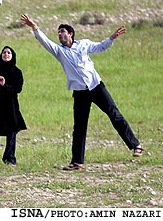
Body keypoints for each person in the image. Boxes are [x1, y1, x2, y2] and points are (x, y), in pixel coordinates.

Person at [20, 14, 142, 171]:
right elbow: (45, 41)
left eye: (62, 31)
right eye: (58, 32)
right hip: (80, 92)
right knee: (79, 126)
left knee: (114, 114)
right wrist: (34, 27)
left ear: (70, 34)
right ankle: (77, 162)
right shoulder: (59, 51)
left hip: (96, 86)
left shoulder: (84, 44)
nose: (59, 34)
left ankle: (136, 145)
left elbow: (100, 47)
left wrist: (111, 38)